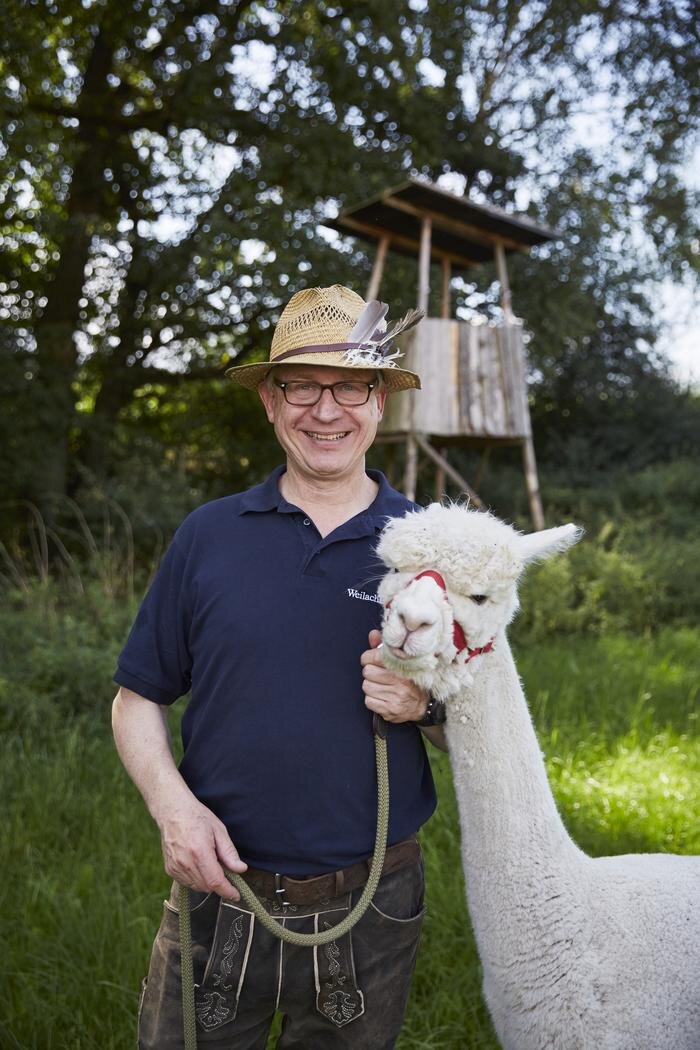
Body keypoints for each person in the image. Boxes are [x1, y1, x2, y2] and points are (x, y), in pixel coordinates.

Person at [112, 284, 448, 1050]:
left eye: (350, 385)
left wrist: (422, 707)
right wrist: (173, 809)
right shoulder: (209, 535)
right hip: (217, 892)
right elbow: (136, 701)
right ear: (270, 399)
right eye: (301, 384)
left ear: (379, 402)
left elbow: (486, 739)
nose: (325, 409)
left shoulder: (430, 546)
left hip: (375, 900)